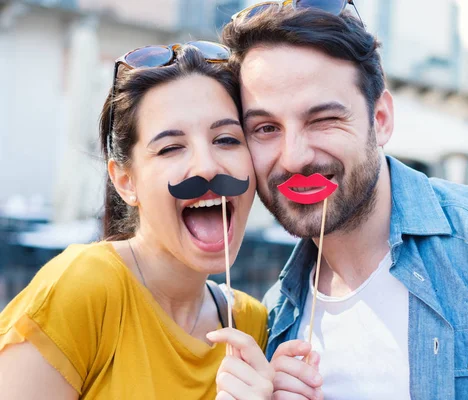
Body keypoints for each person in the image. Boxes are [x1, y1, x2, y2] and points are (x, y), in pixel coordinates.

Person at [221, 3, 468, 399]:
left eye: (322, 120)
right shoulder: (275, 317)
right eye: (266, 128)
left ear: (380, 119)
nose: (294, 156)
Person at [0, 43, 274, 399]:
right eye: (171, 147)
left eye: (226, 139)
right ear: (126, 181)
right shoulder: (82, 288)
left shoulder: (249, 323)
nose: (207, 167)